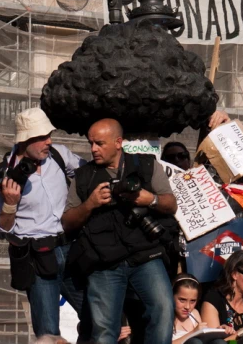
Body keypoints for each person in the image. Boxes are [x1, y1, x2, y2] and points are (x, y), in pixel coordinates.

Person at [62, 118, 178, 344]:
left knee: (163, 310)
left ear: (118, 142)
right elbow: (67, 222)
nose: (93, 149)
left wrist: (149, 199)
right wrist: (90, 204)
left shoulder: (148, 165)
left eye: (99, 143)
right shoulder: (84, 176)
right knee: (105, 331)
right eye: (91, 143)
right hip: (104, 262)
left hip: (145, 256)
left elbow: (171, 204)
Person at [0, 107, 86, 338]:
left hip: (73, 250)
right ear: (24, 141)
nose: (48, 141)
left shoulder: (59, 155)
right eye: (41, 137)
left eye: (48, 135)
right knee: (48, 334)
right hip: (39, 258)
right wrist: (10, 204)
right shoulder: (2, 177)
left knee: (99, 317)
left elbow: (87, 174)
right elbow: (0, 230)